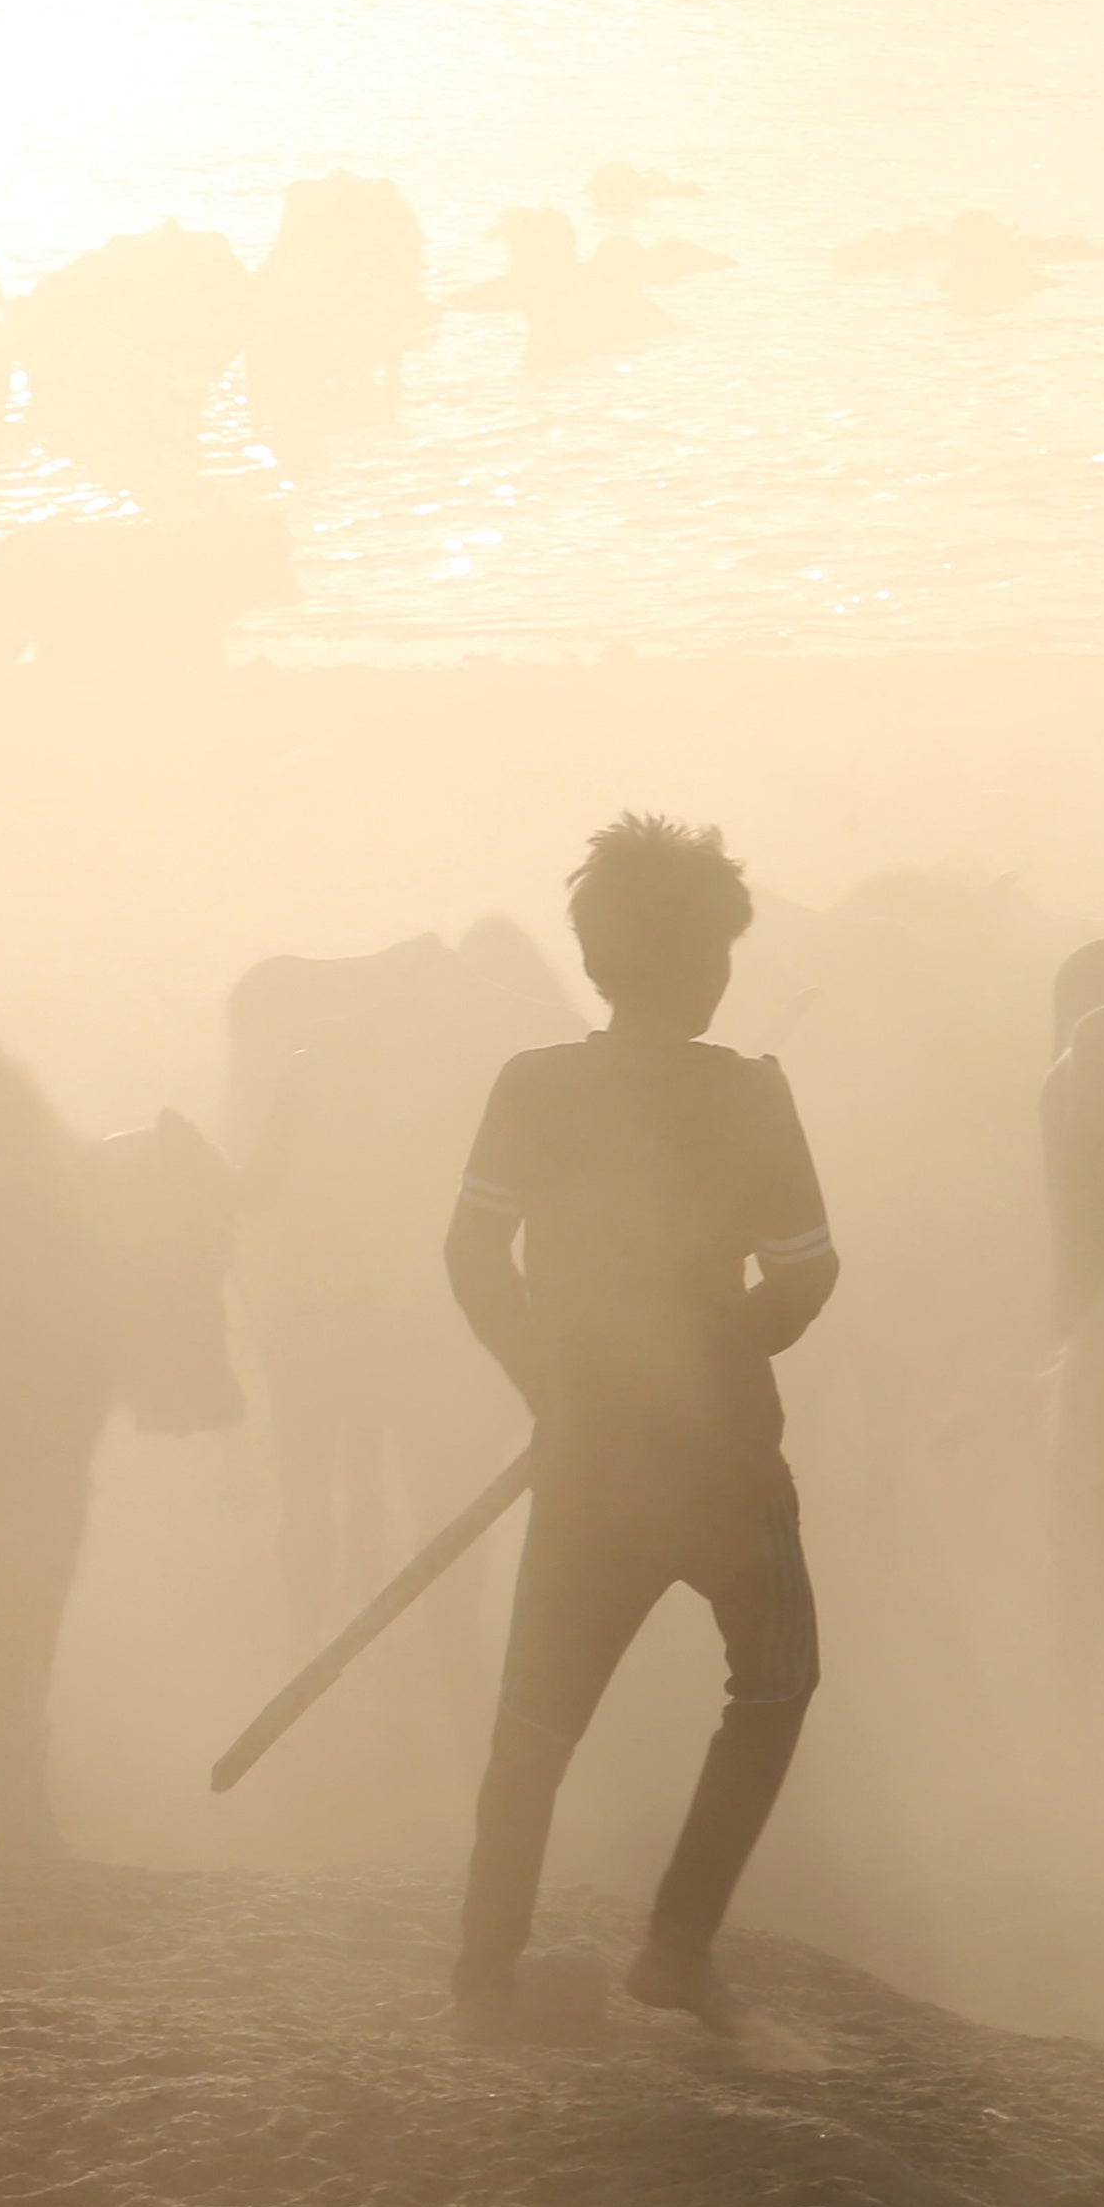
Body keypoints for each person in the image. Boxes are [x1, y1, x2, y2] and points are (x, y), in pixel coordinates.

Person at [442, 814, 838, 2030]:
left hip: (588, 1461)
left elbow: (471, 1255)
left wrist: (548, 1382)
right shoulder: (751, 1096)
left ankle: (482, 1978)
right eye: (722, 953)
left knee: (535, 1722)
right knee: (775, 1686)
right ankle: (676, 1945)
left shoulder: (535, 1084)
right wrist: (721, 1350)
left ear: (596, 959)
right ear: (710, 960)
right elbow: (809, 1274)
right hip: (725, 1463)